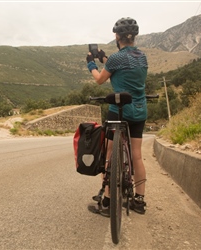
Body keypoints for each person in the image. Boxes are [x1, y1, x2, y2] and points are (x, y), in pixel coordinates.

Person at [86, 17, 148, 215]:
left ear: (117, 36)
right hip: (139, 110)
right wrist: (105, 59)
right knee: (137, 155)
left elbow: (100, 80)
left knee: (110, 153)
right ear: (134, 37)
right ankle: (139, 201)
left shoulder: (116, 58)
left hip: (119, 111)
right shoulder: (142, 57)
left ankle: (107, 200)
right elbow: (124, 68)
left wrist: (91, 64)